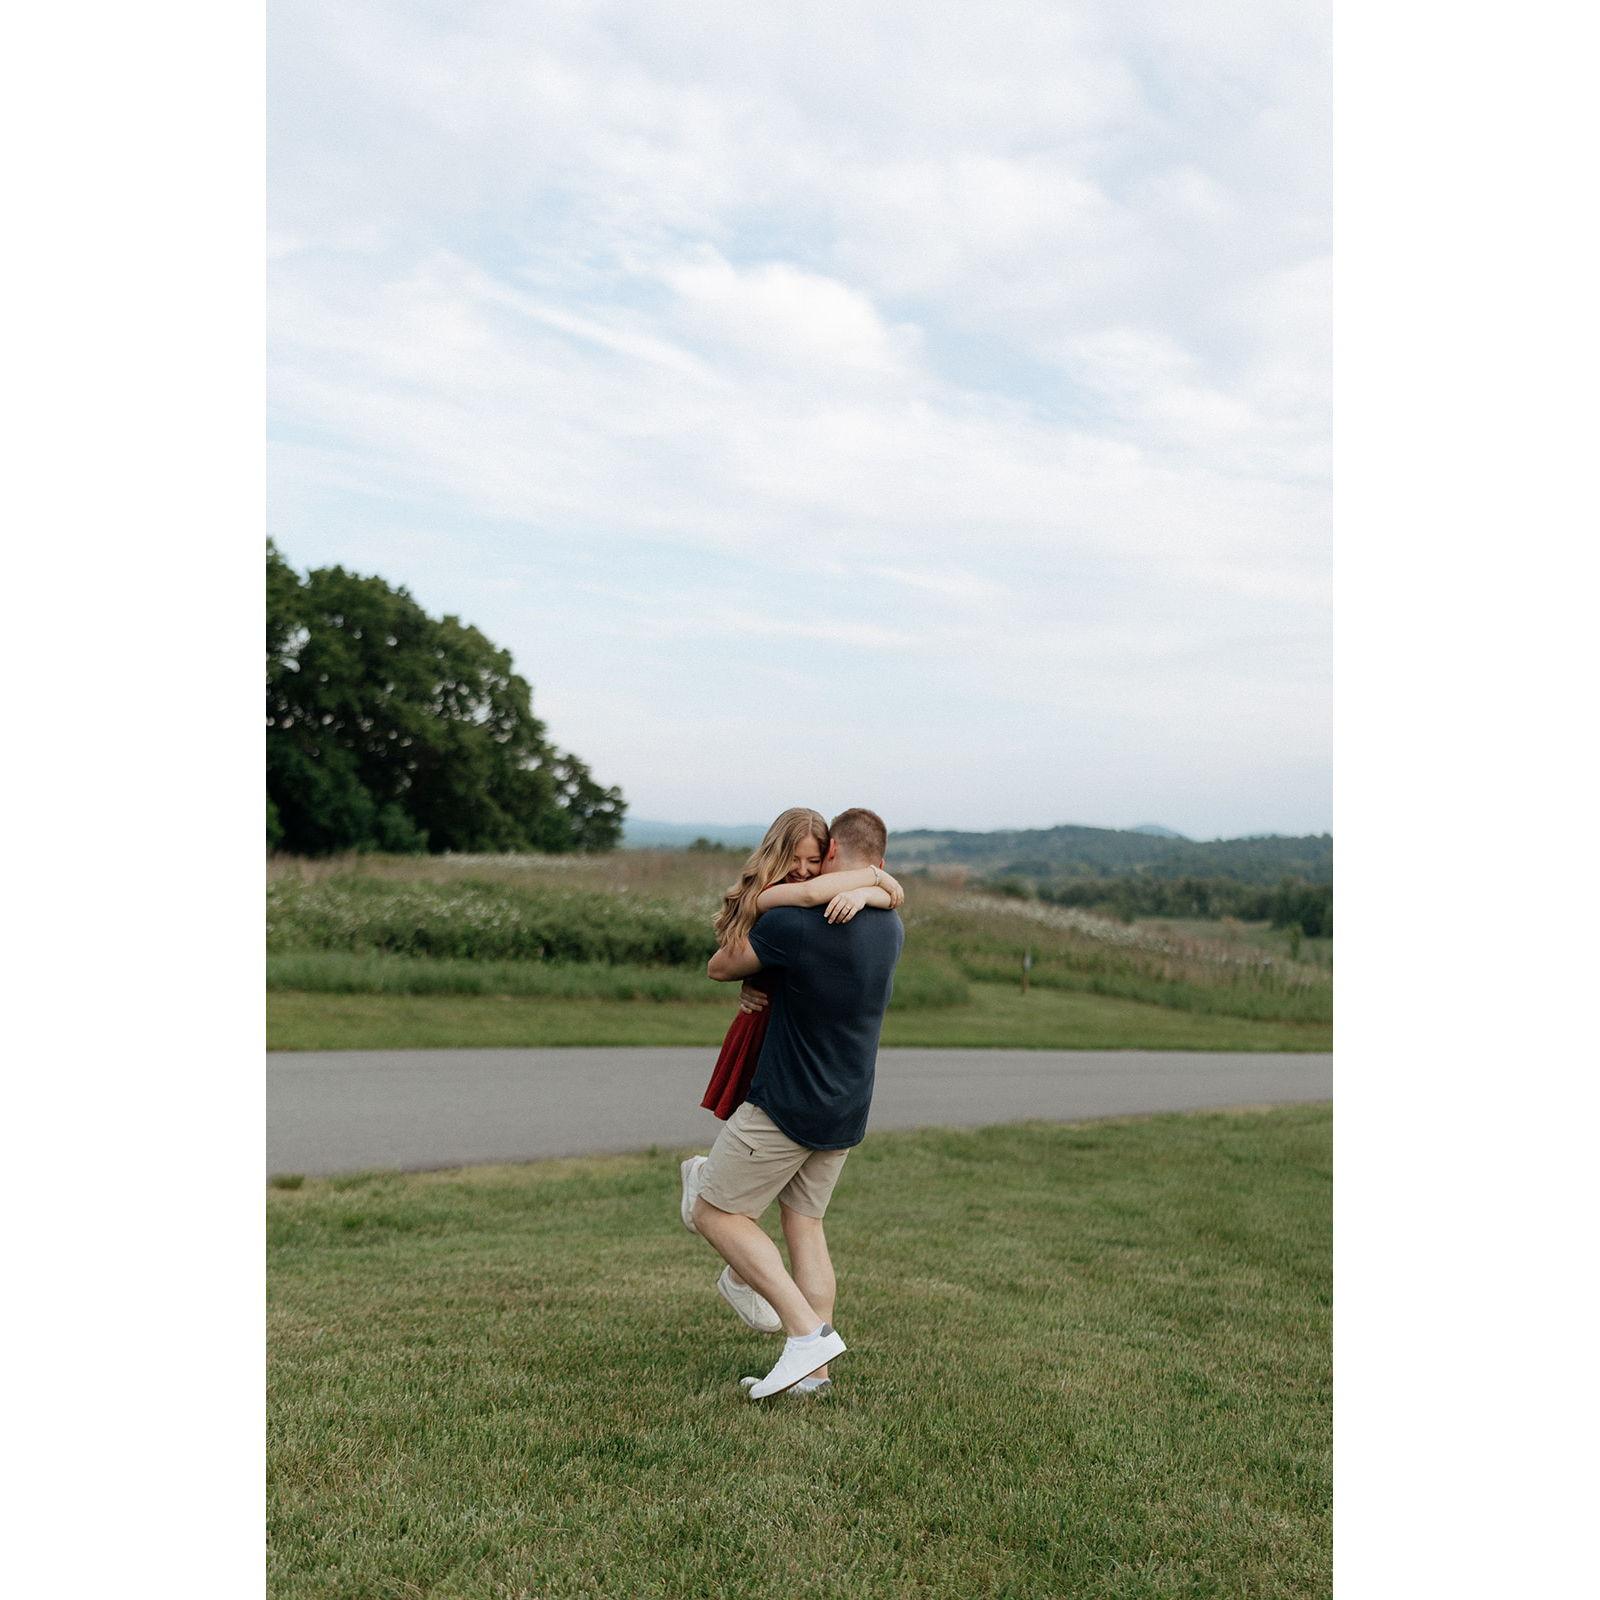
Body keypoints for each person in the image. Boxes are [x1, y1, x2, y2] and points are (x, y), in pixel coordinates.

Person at [680, 807, 905, 1400]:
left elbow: (721, 965)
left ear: (830, 853)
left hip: (787, 1103)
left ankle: (806, 1336)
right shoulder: (891, 925)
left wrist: (751, 976)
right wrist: (877, 886)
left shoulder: (796, 924)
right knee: (804, 1225)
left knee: (713, 1213)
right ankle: (814, 1377)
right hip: (846, 1107)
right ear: (878, 863)